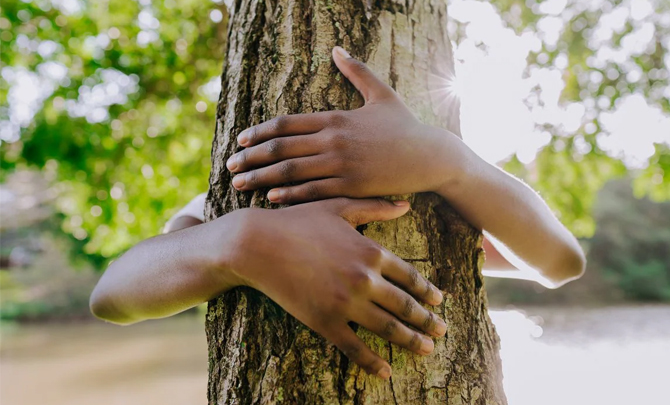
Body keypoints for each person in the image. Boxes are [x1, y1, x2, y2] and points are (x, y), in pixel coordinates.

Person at [90, 47, 585, 380]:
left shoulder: (441, 199)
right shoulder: (217, 208)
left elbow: (560, 262)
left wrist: (451, 162)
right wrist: (240, 238)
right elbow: (112, 296)